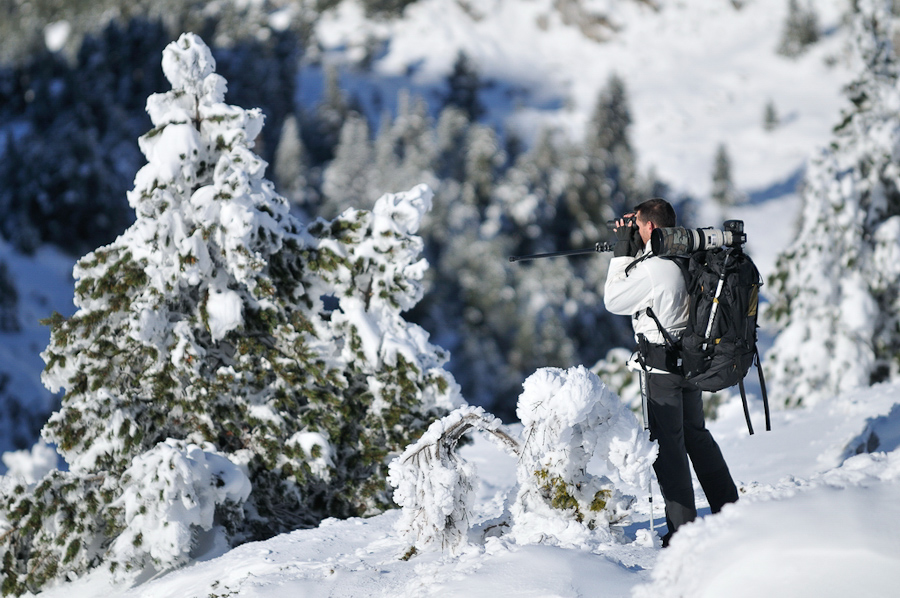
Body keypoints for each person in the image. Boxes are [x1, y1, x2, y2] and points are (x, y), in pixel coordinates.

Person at [604, 198, 738, 547]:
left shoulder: (653, 267)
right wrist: (636, 250)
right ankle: (728, 507)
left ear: (649, 226)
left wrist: (621, 251)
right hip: (692, 359)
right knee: (696, 435)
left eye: (637, 225)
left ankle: (683, 530)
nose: (633, 229)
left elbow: (614, 300)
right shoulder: (688, 254)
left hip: (661, 368)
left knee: (670, 447)